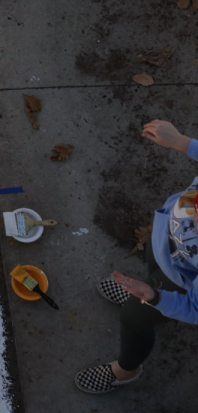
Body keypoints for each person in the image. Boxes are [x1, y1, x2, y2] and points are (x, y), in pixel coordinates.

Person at [74, 119, 198, 394]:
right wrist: (181, 142)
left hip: (180, 278)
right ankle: (145, 295)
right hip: (168, 239)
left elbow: (194, 308)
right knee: (154, 264)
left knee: (133, 317)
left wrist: (154, 298)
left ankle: (125, 371)